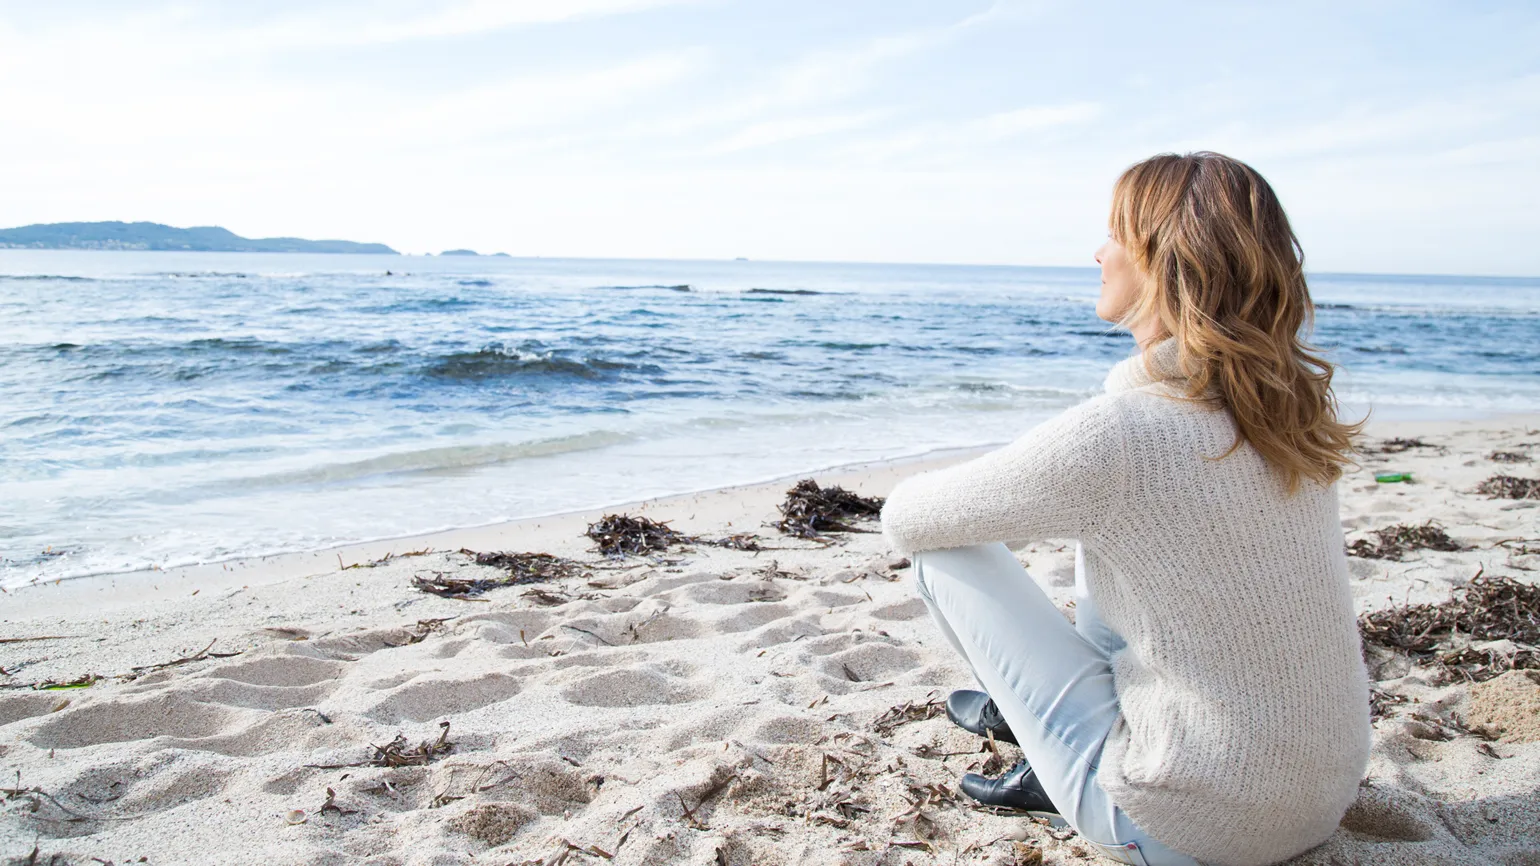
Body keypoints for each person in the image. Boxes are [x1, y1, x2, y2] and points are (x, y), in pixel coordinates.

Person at [879, 152, 1370, 866]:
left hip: (1180, 824)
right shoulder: (1288, 414)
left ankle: (1047, 740)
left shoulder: (1123, 433)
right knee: (1121, 529)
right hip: (1318, 805)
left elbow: (908, 518)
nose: (1098, 252)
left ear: (1161, 259)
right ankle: (1047, 718)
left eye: (1115, 234)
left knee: (947, 550)